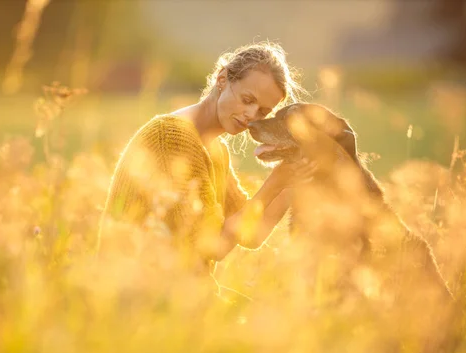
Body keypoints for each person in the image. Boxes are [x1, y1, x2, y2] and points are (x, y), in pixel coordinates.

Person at [97, 42, 316, 271]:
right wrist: (276, 181)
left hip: (184, 290)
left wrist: (292, 180)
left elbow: (251, 234)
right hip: (133, 290)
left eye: (263, 111)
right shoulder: (171, 137)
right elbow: (212, 246)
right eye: (248, 100)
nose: (252, 115)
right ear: (222, 79)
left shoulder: (215, 150)